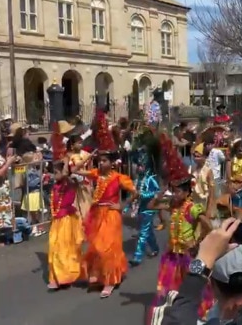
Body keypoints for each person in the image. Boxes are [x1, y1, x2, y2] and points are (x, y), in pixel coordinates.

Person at [149, 133, 214, 320]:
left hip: (187, 253)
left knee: (192, 286)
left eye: (178, 190)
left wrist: (198, 241)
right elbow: (151, 207)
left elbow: (207, 223)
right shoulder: (172, 204)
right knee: (172, 287)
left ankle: (198, 312)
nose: (175, 193)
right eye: (173, 189)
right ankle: (179, 312)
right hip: (172, 254)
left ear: (186, 192)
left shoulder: (192, 208)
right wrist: (161, 193)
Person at [74, 110, 137, 298]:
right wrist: (90, 154)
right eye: (99, 161)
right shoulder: (95, 174)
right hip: (97, 214)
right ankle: (99, 276)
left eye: (104, 161)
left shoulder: (119, 177)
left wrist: (123, 206)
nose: (101, 164)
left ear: (112, 162)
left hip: (111, 213)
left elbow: (135, 193)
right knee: (96, 246)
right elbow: (75, 170)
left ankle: (110, 280)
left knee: (108, 248)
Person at [46, 123, 83, 290]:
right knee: (54, 248)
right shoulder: (55, 185)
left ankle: (63, 277)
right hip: (56, 221)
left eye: (56, 172)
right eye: (53, 172)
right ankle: (55, 277)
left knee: (64, 249)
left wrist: (66, 160)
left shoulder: (69, 182)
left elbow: (68, 171)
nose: (54, 175)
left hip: (67, 219)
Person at [128, 128, 161, 266]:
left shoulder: (151, 178)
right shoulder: (140, 178)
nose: (139, 167)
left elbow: (155, 193)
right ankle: (155, 248)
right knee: (147, 230)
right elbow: (133, 155)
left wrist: (142, 194)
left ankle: (137, 256)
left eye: (142, 164)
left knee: (143, 232)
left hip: (149, 207)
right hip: (141, 206)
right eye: (138, 165)